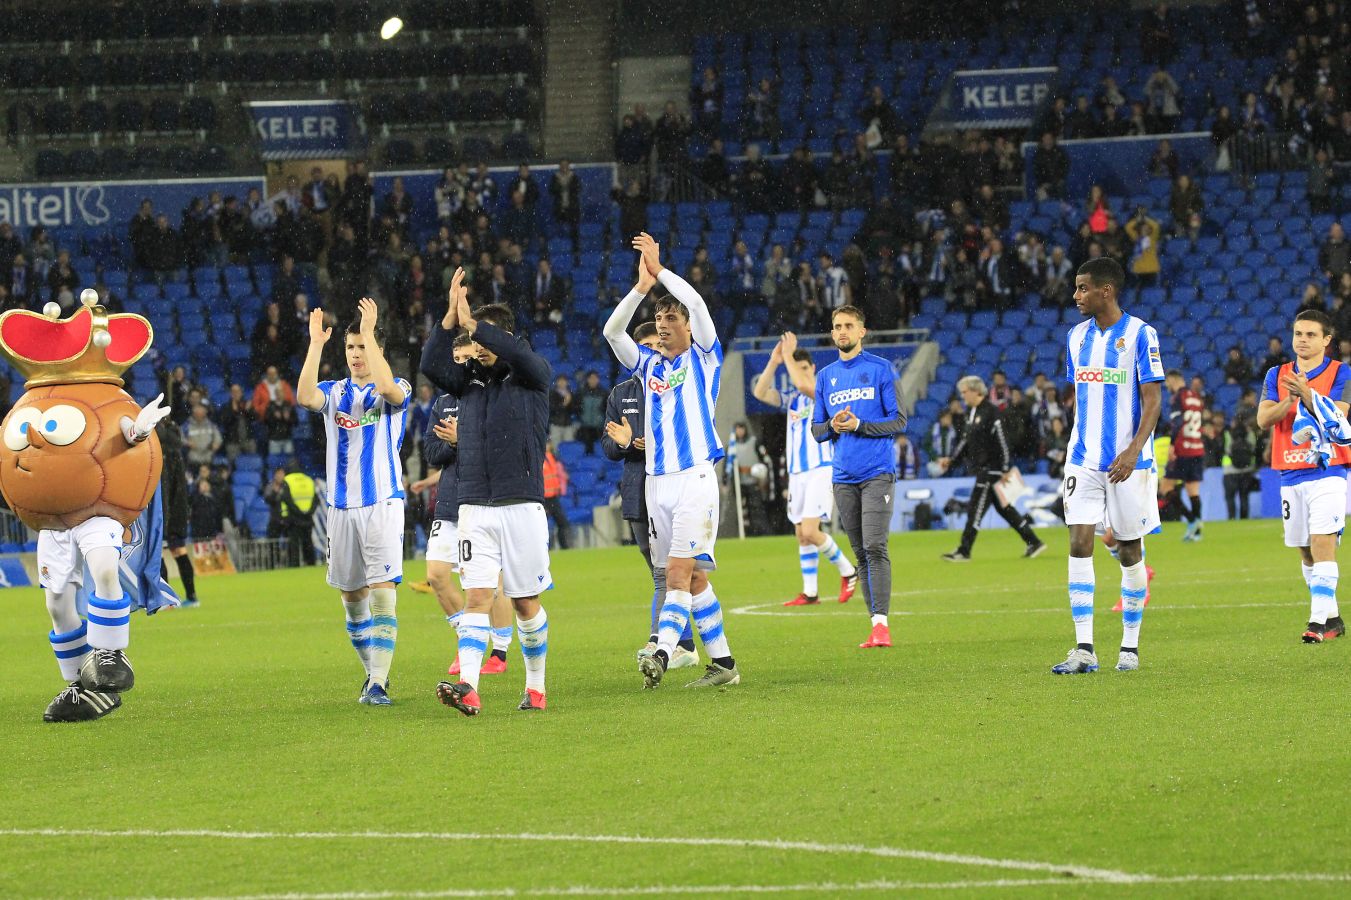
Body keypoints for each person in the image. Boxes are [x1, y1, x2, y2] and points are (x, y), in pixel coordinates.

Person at [602, 233, 739, 690]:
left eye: (670, 317)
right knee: (692, 578)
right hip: (655, 483)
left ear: (687, 326)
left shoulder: (704, 358)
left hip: (694, 476)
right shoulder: (647, 367)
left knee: (677, 573)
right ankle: (724, 665)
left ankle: (661, 649)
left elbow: (698, 306)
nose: (662, 325)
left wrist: (660, 271)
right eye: (658, 318)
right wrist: (641, 289)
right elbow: (612, 333)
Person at [421, 272, 552, 714]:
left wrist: (477, 325)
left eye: (480, 340)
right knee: (478, 596)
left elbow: (517, 354)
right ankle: (470, 687)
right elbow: (430, 365)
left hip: (522, 504)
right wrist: (448, 320)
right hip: (473, 507)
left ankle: (536, 688)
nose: (474, 351)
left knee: (524, 602)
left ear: (502, 336)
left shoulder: (532, 374)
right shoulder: (468, 383)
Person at [296, 298, 412, 707]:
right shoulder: (334, 392)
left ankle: (379, 682)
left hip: (382, 501)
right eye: (351, 348)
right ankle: (371, 674)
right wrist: (315, 345)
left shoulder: (397, 388)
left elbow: (387, 390)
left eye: (363, 346)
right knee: (352, 599)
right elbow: (305, 396)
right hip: (341, 507)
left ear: (376, 349)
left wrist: (372, 333)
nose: (356, 355)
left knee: (382, 591)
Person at [1053, 257, 1164, 675]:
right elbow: (1082, 394)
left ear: (1107, 290)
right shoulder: (1075, 337)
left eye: (1083, 288)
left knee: (1130, 550)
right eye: (1076, 288)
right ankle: (1084, 648)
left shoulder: (1140, 334)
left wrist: (1135, 449)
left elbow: (1152, 399)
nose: (1076, 295)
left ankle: (1129, 648)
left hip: (1128, 462)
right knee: (1079, 542)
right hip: (1083, 458)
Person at [413, 334, 516, 678]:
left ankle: (499, 653)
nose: (459, 363)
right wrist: (455, 445)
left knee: (491, 583)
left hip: (485, 497)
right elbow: (431, 452)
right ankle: (467, 639)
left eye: (465, 357)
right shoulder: (443, 402)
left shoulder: (490, 395)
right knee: (436, 575)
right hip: (450, 500)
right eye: (454, 358)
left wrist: (463, 439)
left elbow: (500, 447)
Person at [602, 321, 699, 668]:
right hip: (636, 490)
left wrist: (652, 443)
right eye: (641, 345)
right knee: (661, 570)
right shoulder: (620, 393)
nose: (649, 351)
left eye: (653, 345)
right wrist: (626, 443)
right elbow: (608, 446)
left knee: (670, 572)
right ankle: (683, 643)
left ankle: (661, 641)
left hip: (673, 486)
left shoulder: (676, 385)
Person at [811, 306, 905, 649]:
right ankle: (875, 624)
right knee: (860, 553)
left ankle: (882, 625)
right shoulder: (825, 377)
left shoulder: (881, 369)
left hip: (877, 473)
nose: (842, 331)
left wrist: (860, 425)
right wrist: (833, 426)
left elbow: (899, 421)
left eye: (849, 325)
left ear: (862, 331)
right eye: (837, 326)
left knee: (875, 546)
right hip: (843, 476)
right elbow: (816, 430)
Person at [1255, 309, 1349, 644]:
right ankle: (1333, 618)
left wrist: (1307, 394)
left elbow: (1338, 415)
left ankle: (1316, 622)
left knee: (1323, 542)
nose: (1303, 341)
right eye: (1298, 334)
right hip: (1290, 472)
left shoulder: (1342, 372)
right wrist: (1291, 398)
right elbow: (1264, 419)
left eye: (1311, 335)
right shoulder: (1276, 375)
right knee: (1305, 550)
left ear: (1327, 340)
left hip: (1330, 469)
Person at [750, 331, 859, 607]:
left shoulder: (822, 393)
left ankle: (849, 570)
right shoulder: (793, 399)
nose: (794, 373)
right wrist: (775, 361)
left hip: (821, 468)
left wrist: (788, 355)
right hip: (798, 472)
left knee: (811, 531)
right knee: (802, 534)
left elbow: (800, 382)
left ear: (812, 368)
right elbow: (759, 392)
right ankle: (810, 592)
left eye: (799, 368)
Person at [938, 376, 1046, 561]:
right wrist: (951, 460)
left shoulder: (992, 412)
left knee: (975, 509)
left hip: (991, 469)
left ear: (975, 391)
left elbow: (1003, 441)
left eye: (964, 392)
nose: (962, 396)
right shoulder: (972, 413)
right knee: (1005, 509)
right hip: (983, 468)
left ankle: (964, 550)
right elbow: (965, 441)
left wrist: (1003, 468)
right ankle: (1034, 542)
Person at [155, 417, 199, 608]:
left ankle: (167, 601)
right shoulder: (178, 456)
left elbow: (163, 490)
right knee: (178, 549)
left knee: (160, 552)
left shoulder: (159, 458)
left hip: (165, 511)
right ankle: (192, 596)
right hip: (179, 509)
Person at [1162, 369, 1206, 541]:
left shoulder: (1177, 397)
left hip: (1182, 449)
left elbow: (1178, 422)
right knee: (1193, 491)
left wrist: (1172, 445)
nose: (1167, 387)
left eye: (1167, 383)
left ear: (1173, 380)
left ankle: (1191, 520)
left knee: (1166, 488)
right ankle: (1197, 532)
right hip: (1197, 448)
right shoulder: (1196, 396)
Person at [280, 467, 318, 567]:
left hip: (294, 520)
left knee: (294, 546)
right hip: (308, 519)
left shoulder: (287, 480)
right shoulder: (309, 479)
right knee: (308, 544)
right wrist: (308, 512)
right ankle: (311, 564)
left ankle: (295, 566)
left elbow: (285, 498)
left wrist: (298, 512)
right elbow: (316, 500)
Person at [542, 442, 571, 550]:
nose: (549, 445)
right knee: (541, 527)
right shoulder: (539, 459)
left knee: (563, 523)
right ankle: (543, 550)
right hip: (544, 499)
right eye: (547, 443)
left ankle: (565, 548)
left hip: (553, 497)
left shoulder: (551, 457)